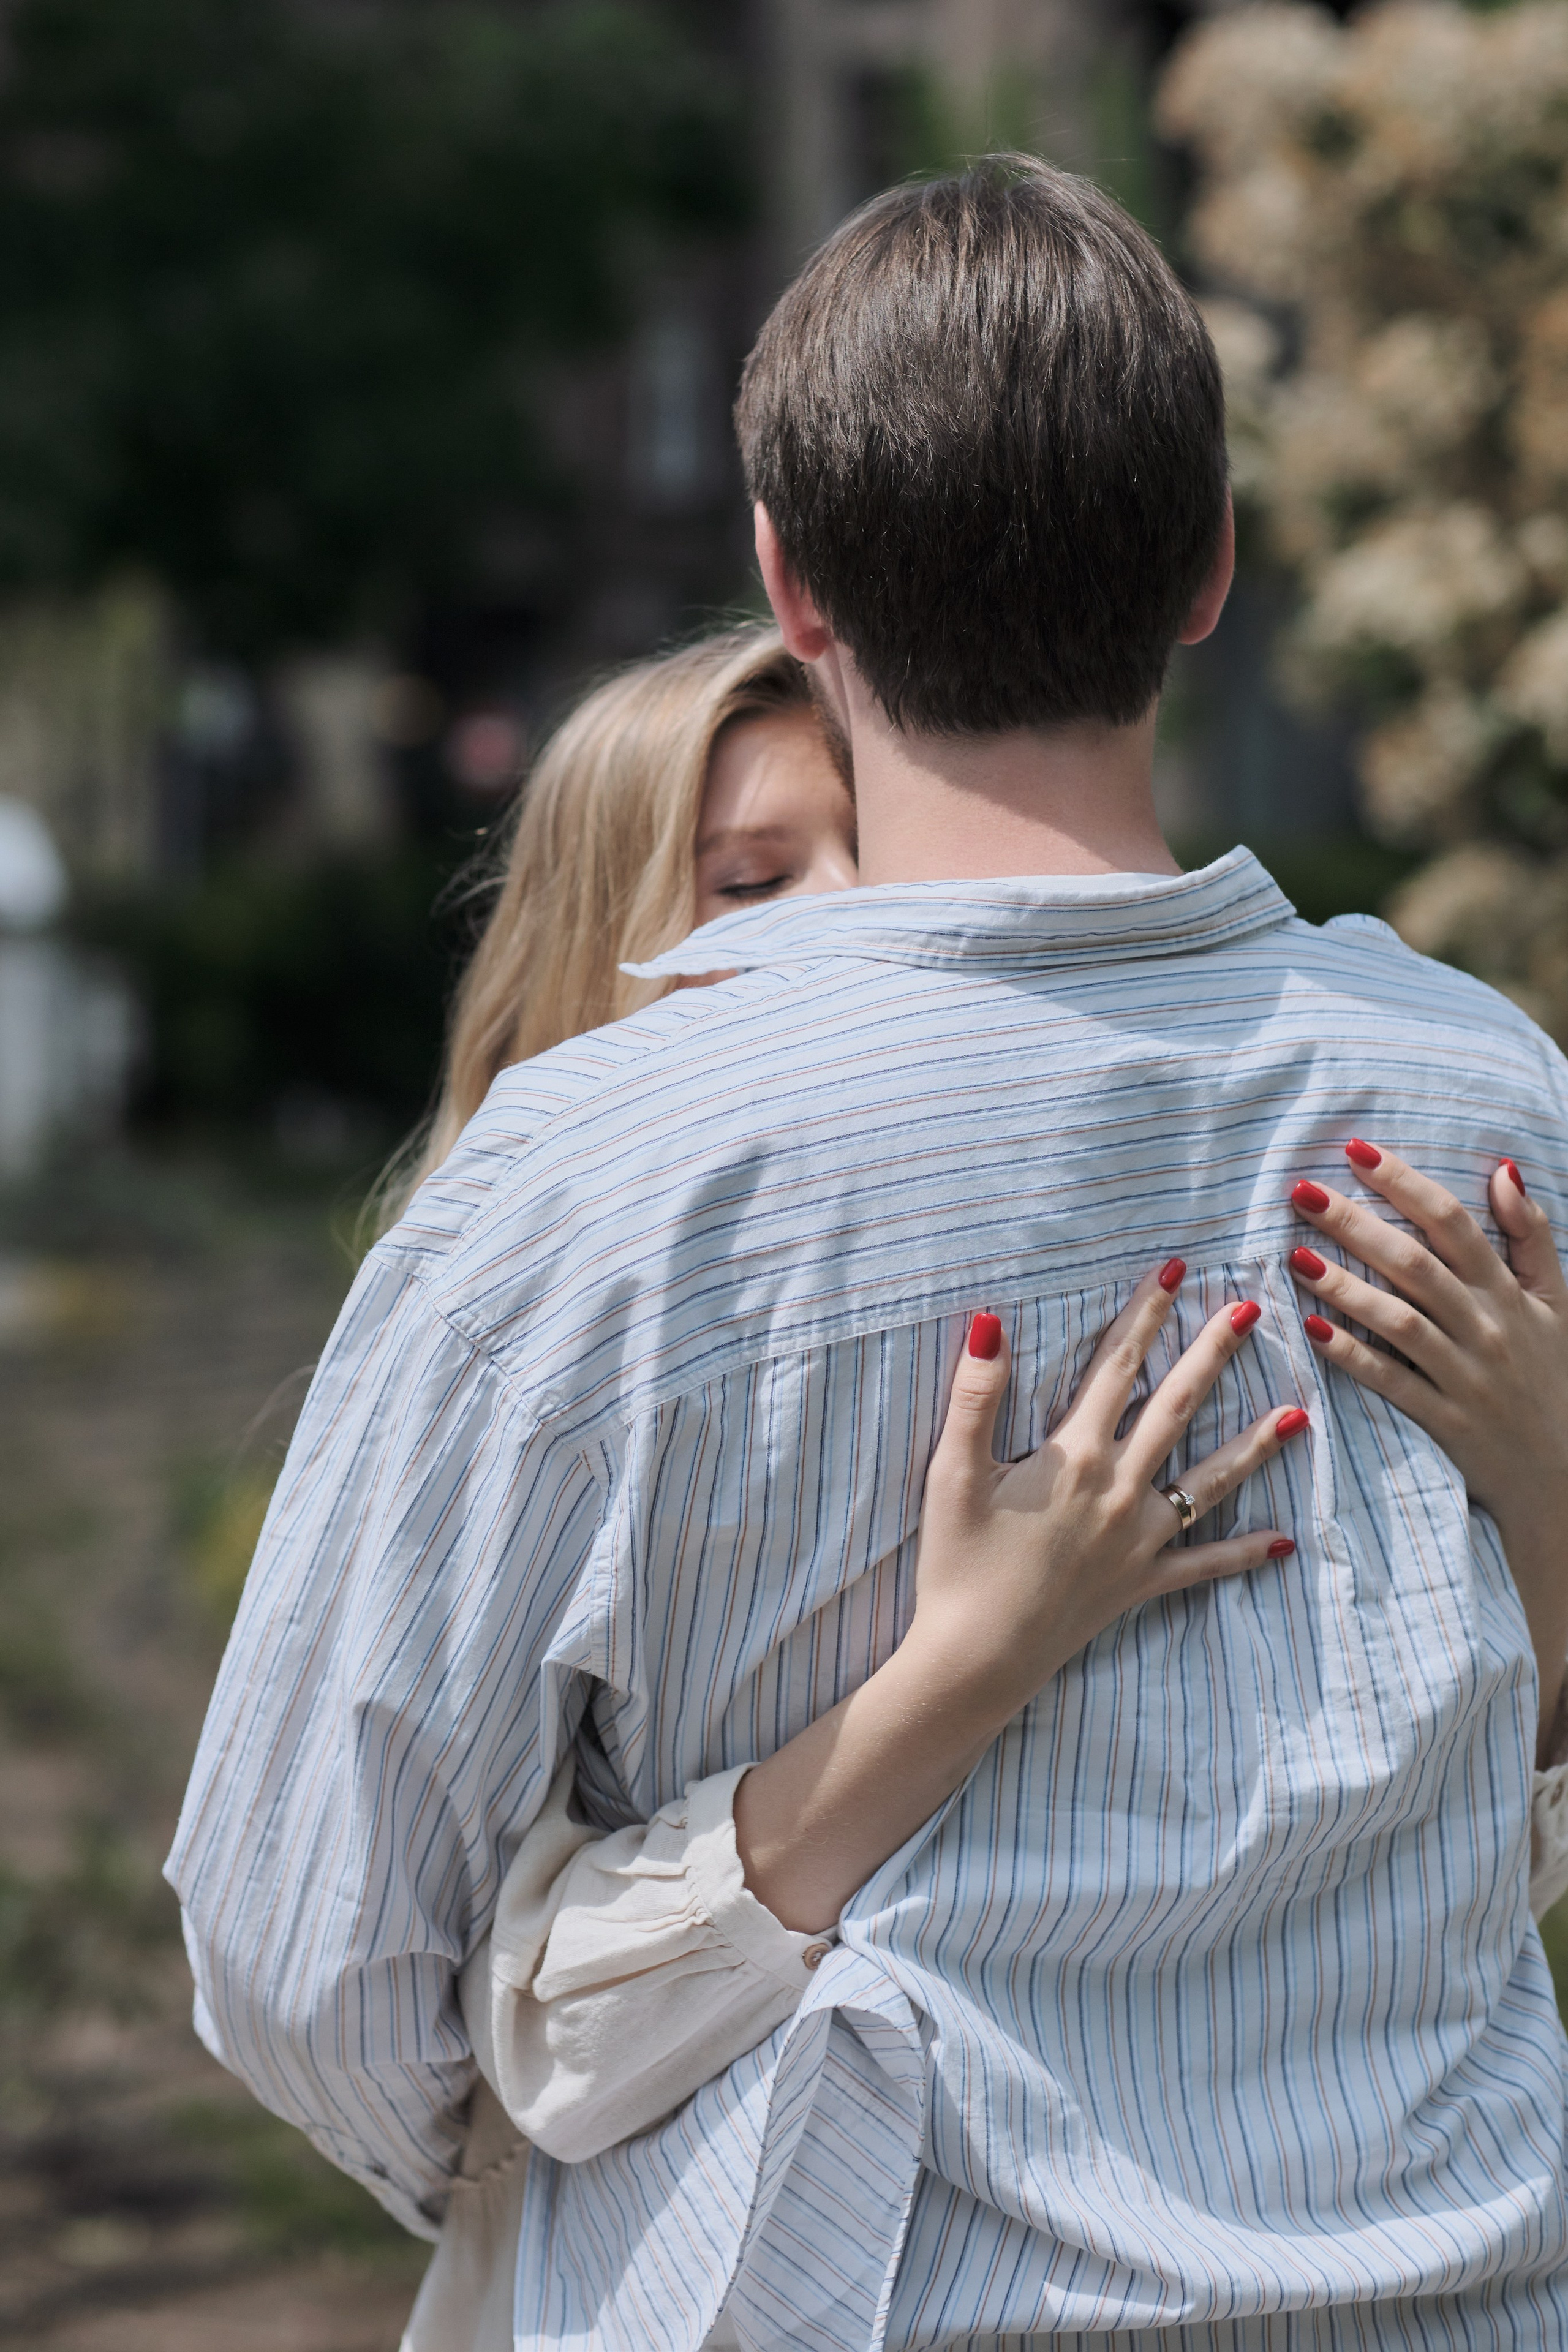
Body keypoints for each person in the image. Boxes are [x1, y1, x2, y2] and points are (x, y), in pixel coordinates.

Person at [170, 156, 1568, 2351]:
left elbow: (300, 1954)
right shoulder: (1492, 1108)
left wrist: (597, 2108)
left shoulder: (598, 1180)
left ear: (788, 583)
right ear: (1212, 567)